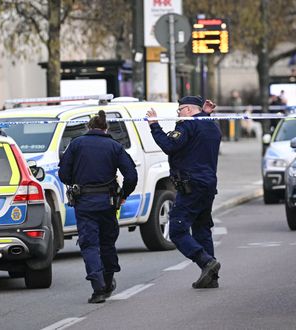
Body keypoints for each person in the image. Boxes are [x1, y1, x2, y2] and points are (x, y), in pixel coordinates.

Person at [58, 110, 138, 303]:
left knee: (89, 245)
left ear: (88, 127)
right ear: (106, 128)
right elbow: (132, 176)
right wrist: (123, 195)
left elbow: (63, 175)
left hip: (84, 203)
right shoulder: (114, 146)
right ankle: (108, 281)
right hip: (108, 202)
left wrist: (77, 182)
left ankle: (98, 286)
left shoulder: (75, 145)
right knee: (107, 243)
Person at [146, 96, 222, 289]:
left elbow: (169, 145)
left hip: (191, 185)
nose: (178, 114)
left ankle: (205, 262)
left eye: (180, 110)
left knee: (178, 231)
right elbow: (199, 136)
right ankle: (211, 277)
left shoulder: (187, 126)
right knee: (201, 228)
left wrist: (154, 125)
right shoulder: (212, 125)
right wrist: (204, 113)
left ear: (188, 110)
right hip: (208, 185)